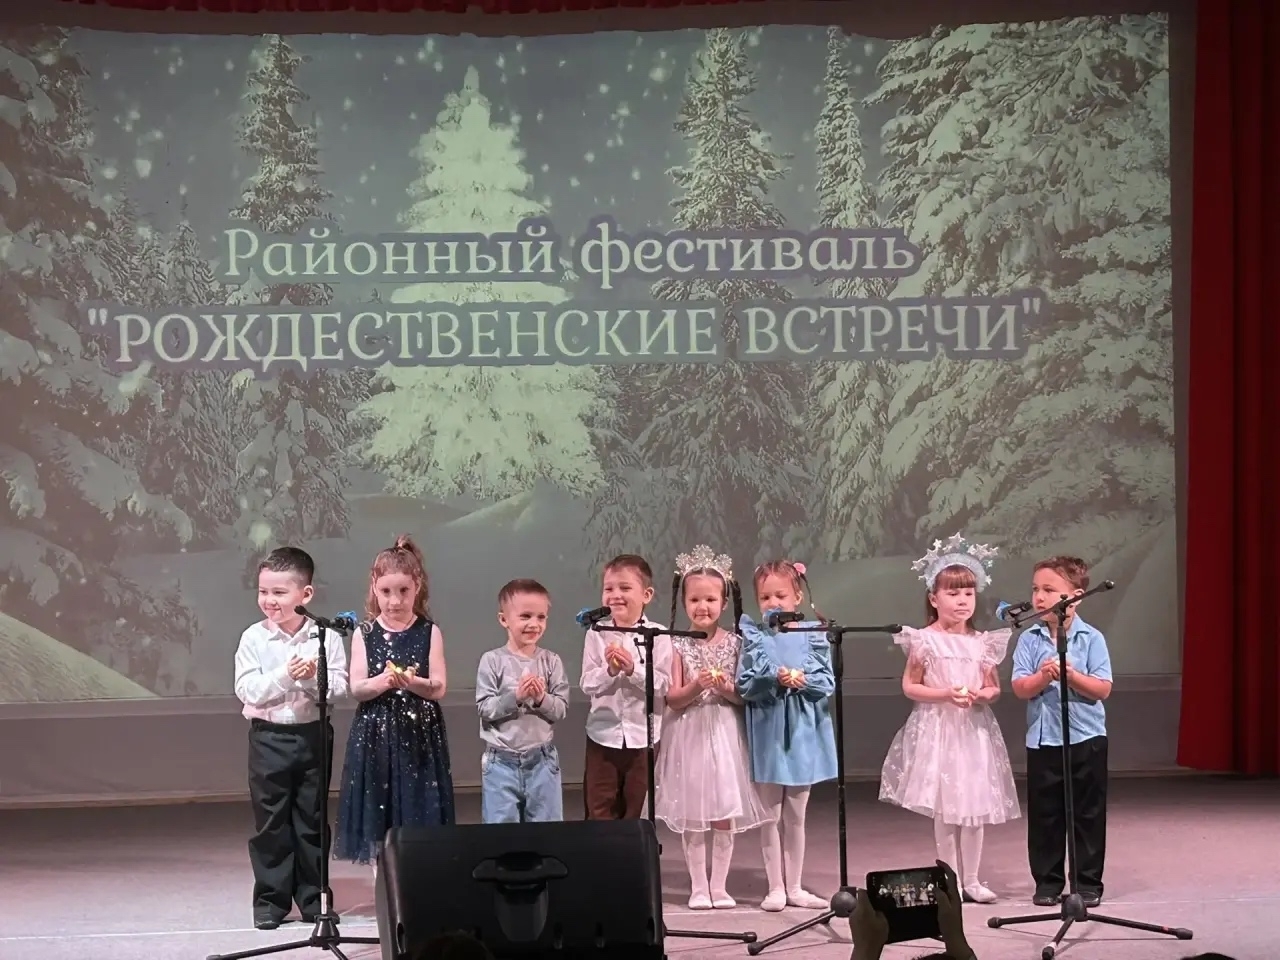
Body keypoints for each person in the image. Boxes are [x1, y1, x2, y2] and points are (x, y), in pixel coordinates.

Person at [880, 534, 1020, 903]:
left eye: (968, 593)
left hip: (972, 730)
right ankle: (950, 879)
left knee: (974, 806)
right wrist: (945, 693)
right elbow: (910, 686)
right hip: (939, 730)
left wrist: (979, 695)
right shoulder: (924, 640)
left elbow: (993, 688)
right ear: (934, 598)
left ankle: (972, 879)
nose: (962, 600)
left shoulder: (982, 642)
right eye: (953, 593)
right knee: (945, 809)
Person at [233, 546, 349, 931]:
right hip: (268, 738)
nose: (269, 600)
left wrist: (311, 678)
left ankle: (315, 898)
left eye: (279, 592)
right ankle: (271, 899)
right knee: (271, 822)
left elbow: (340, 687)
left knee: (312, 820)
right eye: (263, 591)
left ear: (306, 594)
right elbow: (247, 690)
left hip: (313, 736)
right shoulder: (253, 638)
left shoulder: (324, 636)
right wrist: (286, 675)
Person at [656, 545, 772, 909]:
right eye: (694, 599)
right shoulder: (675, 644)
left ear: (723, 603)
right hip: (688, 732)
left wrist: (724, 687)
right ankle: (698, 887)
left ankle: (719, 886)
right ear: (684, 602)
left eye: (710, 599)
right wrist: (697, 685)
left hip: (724, 733)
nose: (702, 607)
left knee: (723, 811)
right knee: (694, 812)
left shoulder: (736, 644)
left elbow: (743, 696)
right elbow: (673, 698)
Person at [334, 535, 455, 867]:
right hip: (376, 734)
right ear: (374, 587)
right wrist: (384, 680)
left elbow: (438, 687)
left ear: (417, 586)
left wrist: (411, 682)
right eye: (386, 591)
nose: (395, 600)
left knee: (417, 806)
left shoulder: (429, 631)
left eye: (403, 590)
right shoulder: (365, 633)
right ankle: (382, 882)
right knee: (378, 808)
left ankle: (417, 876)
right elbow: (357, 687)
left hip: (419, 736)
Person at [1011, 555, 1113, 907]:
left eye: (1049, 590)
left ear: (1076, 596)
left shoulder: (1091, 638)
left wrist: (1072, 675)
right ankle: (1048, 882)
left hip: (1086, 738)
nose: (1039, 597)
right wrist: (1042, 676)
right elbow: (1020, 687)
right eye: (1035, 589)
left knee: (1087, 812)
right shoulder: (1029, 639)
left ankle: (1087, 883)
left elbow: (1102, 688)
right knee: (1046, 815)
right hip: (1044, 740)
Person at [736, 559, 836, 911]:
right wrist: (772, 678)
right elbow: (745, 684)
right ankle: (775, 887)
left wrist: (802, 679)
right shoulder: (755, 636)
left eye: (780, 595)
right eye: (765, 597)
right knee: (770, 814)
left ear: (797, 596)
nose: (773, 603)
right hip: (769, 729)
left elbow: (826, 682)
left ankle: (794, 886)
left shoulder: (813, 634)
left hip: (803, 731)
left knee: (796, 814)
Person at [579, 553, 674, 819]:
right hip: (602, 735)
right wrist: (610, 671)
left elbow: (664, 684)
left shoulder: (658, 635)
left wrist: (633, 670)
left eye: (624, 588)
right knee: (599, 809)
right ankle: (601, 848)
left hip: (643, 738)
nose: (615, 595)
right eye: (608, 589)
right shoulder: (596, 632)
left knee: (636, 810)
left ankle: (632, 847)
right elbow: (586, 684)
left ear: (646, 594)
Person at [475, 579, 570, 823]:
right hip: (501, 763)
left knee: (546, 831)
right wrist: (516, 697)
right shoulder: (492, 660)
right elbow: (485, 708)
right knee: (501, 832)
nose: (534, 624)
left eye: (541, 617)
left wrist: (540, 698)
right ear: (504, 619)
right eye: (525, 616)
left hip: (542, 761)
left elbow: (560, 709)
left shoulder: (551, 661)